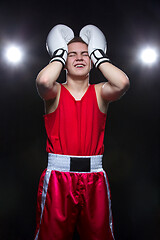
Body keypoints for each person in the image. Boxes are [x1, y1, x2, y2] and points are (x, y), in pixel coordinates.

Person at [34, 24, 130, 240]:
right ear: (64, 61)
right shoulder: (55, 91)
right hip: (58, 179)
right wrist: (58, 54)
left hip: (94, 178)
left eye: (85, 54)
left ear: (92, 59)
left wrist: (99, 56)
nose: (79, 58)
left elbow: (122, 83)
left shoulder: (100, 92)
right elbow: (42, 81)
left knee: (101, 236)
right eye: (72, 54)